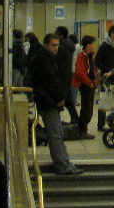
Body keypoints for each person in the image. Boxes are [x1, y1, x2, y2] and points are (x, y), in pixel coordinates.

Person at [31, 33, 83, 175]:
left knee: (58, 133)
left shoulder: (46, 58)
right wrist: (60, 96)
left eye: (57, 45)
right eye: (53, 45)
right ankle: (62, 164)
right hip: (48, 101)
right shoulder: (44, 59)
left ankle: (65, 162)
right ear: (46, 45)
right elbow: (50, 81)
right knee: (55, 134)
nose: (56, 48)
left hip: (49, 100)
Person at [95, 25, 114, 131]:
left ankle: (112, 119)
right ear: (112, 34)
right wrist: (107, 70)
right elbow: (97, 60)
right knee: (104, 99)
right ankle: (101, 123)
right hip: (107, 77)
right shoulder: (105, 46)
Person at [70, 35, 98, 140]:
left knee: (89, 108)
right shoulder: (81, 56)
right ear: (88, 45)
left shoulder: (91, 57)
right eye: (93, 44)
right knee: (86, 109)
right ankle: (82, 130)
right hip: (86, 85)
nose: (94, 46)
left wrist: (95, 82)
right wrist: (89, 83)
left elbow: (93, 70)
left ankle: (83, 129)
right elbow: (80, 72)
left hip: (91, 85)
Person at [54, 26, 80, 124]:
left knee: (61, 98)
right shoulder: (69, 45)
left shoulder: (61, 46)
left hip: (61, 74)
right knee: (68, 99)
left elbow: (56, 60)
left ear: (60, 34)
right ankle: (75, 118)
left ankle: (58, 121)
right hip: (67, 74)